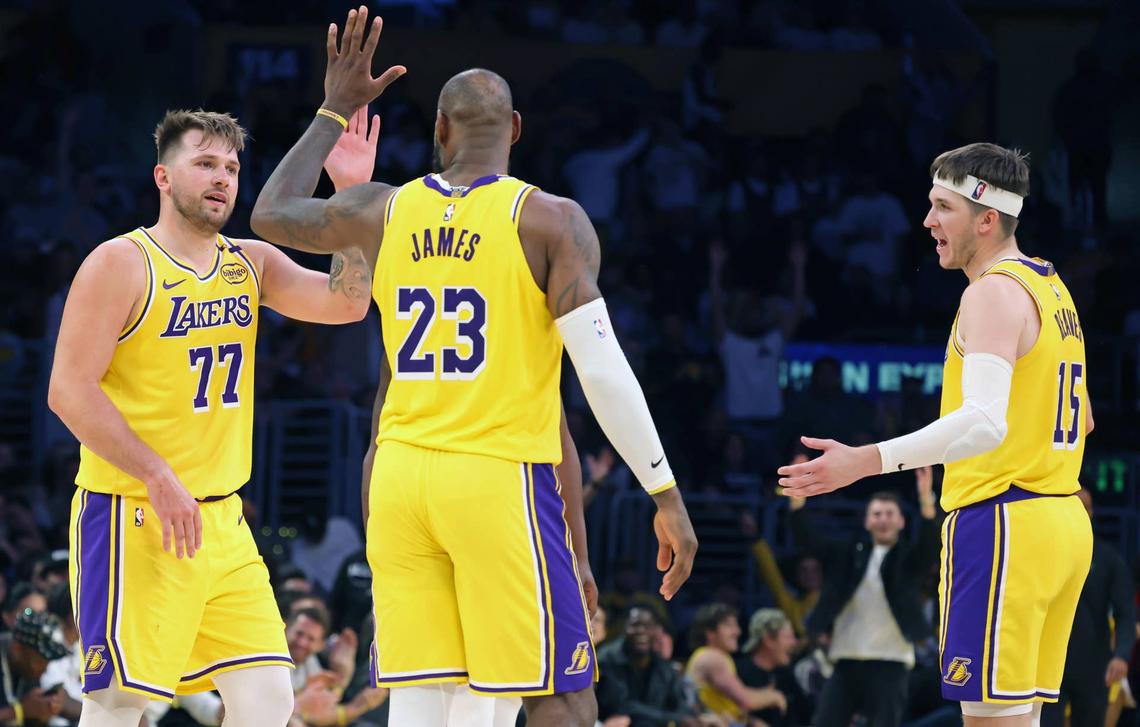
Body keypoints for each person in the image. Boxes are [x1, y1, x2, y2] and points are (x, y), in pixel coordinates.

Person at [250, 8, 698, 726]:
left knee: (427, 698)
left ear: (439, 130)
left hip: (399, 478)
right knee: (564, 695)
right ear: (515, 129)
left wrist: (334, 109)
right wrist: (664, 492)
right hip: (494, 475)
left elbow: (270, 212)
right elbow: (602, 371)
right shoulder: (550, 220)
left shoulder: (381, 209)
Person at [47, 107, 377, 727]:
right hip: (133, 513)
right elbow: (68, 390)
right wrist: (156, 473)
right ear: (163, 176)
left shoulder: (250, 263)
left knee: (268, 699)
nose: (222, 177)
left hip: (221, 520)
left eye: (231, 167)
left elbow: (347, 303)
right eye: (204, 163)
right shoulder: (121, 263)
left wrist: (351, 195)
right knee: (118, 705)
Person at [777, 142, 1094, 726]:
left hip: (1005, 521)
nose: (927, 221)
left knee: (992, 720)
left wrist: (866, 460)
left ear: (987, 218)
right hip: (1062, 524)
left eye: (943, 207)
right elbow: (1085, 419)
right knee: (1022, 718)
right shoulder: (1051, 287)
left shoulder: (991, 291)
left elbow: (984, 423)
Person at [790, 470, 939, 726]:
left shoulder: (908, 560)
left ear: (902, 521)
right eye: (877, 514)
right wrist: (797, 502)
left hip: (891, 662)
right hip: (845, 659)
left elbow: (930, 545)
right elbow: (809, 542)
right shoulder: (846, 554)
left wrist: (926, 500)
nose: (883, 520)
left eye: (889, 514)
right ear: (867, 521)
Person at [1040, 489, 1136, 727]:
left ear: (1091, 513)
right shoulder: (1044, 554)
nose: (1081, 513)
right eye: (1075, 506)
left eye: (1086, 508)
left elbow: (1126, 612)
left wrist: (1122, 655)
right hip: (1048, 663)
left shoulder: (1108, 558)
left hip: (1093, 664)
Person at [596, 607, 705, 727]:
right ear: (625, 628)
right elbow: (621, 706)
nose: (641, 631)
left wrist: (690, 719)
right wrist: (674, 719)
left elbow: (679, 703)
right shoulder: (607, 658)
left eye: (648, 626)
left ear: (656, 631)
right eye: (635, 625)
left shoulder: (662, 665)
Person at [685, 603, 787, 723]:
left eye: (736, 625)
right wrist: (774, 696)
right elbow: (746, 700)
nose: (737, 632)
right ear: (710, 633)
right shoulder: (712, 658)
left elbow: (734, 708)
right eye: (729, 626)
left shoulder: (713, 656)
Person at [734, 609, 809, 726]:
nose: (794, 643)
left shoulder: (785, 673)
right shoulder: (739, 673)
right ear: (768, 640)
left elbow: (807, 714)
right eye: (788, 637)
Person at [0, 610, 69, 726]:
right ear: (17, 650)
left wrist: (44, 709)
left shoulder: (25, 669)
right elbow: (20, 710)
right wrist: (18, 711)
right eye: (39, 662)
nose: (44, 669)